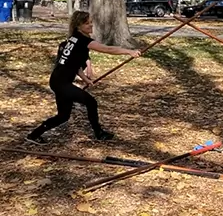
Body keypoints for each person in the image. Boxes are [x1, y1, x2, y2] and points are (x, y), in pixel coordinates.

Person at [26, 10, 141, 145]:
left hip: (58, 81)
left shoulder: (72, 39)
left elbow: (74, 64)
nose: (91, 25)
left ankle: (33, 135)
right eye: (87, 24)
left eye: (91, 22)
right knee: (91, 102)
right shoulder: (82, 40)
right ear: (78, 26)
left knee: (63, 116)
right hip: (62, 83)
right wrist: (129, 51)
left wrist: (85, 79)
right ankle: (99, 133)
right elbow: (107, 49)